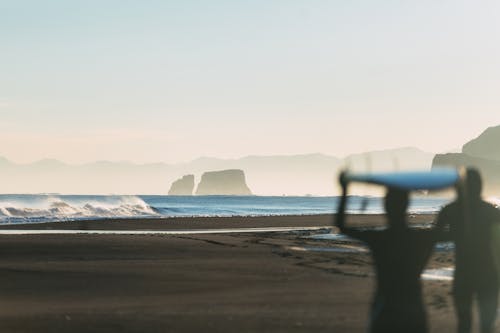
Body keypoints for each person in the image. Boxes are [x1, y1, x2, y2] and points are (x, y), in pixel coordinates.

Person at [335, 172, 436, 333]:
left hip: (386, 306)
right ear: (406, 205)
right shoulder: (421, 238)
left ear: (386, 206)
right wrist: (463, 195)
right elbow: (459, 233)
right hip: (413, 307)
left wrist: (344, 189)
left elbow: (341, 225)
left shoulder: (379, 239)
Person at [436, 168, 500, 333]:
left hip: (464, 274)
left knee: (464, 324)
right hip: (487, 273)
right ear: (480, 186)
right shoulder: (491, 211)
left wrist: (456, 233)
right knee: (486, 326)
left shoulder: (450, 210)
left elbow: (434, 237)